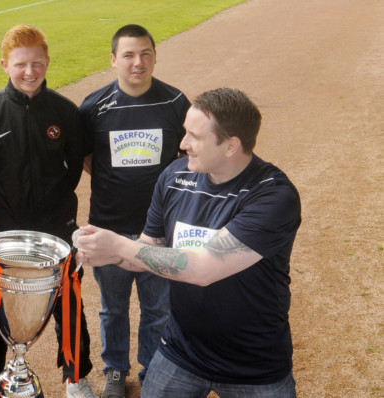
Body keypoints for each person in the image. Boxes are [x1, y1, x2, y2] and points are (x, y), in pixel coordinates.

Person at [75, 88, 300, 398]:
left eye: (194, 136)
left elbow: (202, 269)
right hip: (181, 353)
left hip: (254, 366)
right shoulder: (174, 177)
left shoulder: (272, 196)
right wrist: (102, 252)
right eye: (184, 132)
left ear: (231, 145)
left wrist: (120, 247)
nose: (183, 144)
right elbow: (148, 251)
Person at [0, 24, 96, 398]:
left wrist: (55, 204)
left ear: (47, 62)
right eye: (21, 64)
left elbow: (73, 168)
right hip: (6, 231)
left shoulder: (65, 111)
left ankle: (76, 376)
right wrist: (3, 209)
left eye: (37, 63)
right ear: (5, 64)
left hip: (57, 228)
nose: (29, 72)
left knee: (68, 303)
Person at [78, 24, 191, 397]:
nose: (137, 62)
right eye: (128, 55)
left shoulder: (175, 103)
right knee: (112, 309)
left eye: (145, 53)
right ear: (113, 61)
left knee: (158, 308)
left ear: (155, 56)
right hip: (108, 227)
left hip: (158, 229)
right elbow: (87, 158)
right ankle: (115, 370)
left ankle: (151, 369)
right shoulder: (94, 106)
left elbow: (187, 157)